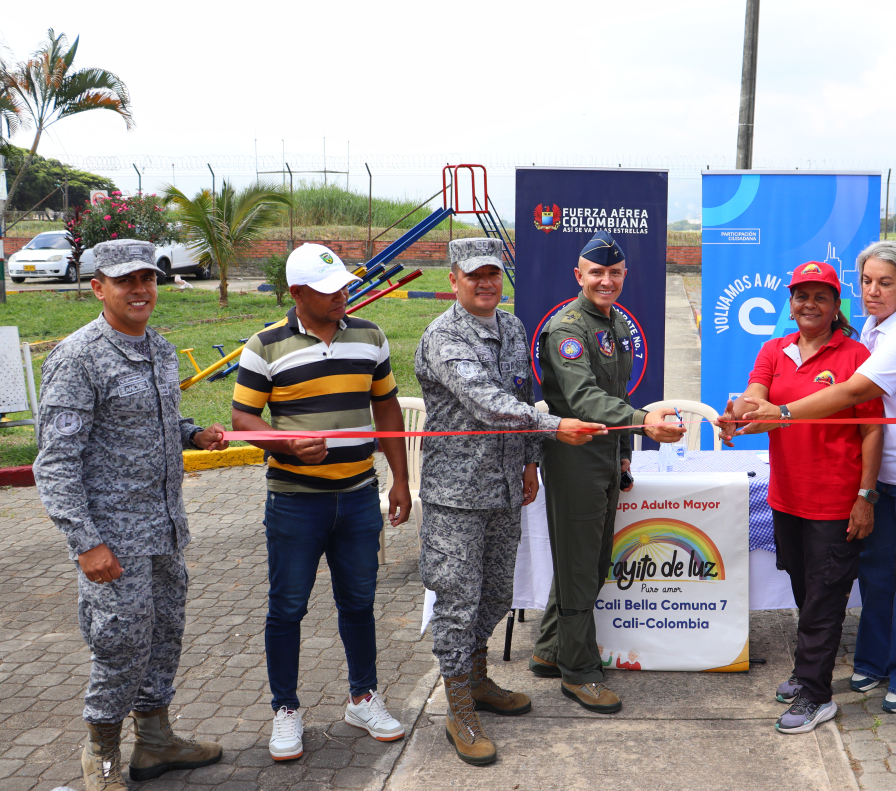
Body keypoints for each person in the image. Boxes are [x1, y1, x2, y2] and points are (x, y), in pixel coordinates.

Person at [727, 241, 896, 714]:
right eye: (867, 282)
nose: (874, 291)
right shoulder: (872, 329)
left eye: (885, 282)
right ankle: (876, 661)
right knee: (878, 574)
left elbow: (854, 392)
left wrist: (779, 412)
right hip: (884, 476)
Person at [33, 239, 228, 791]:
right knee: (120, 645)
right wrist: (84, 542)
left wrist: (192, 432)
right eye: (126, 281)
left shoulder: (159, 348)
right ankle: (101, 754)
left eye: (148, 279)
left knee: (165, 635)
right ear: (99, 288)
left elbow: (158, 414)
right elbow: (56, 463)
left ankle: (156, 740)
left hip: (165, 529)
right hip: (113, 539)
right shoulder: (77, 358)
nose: (141, 290)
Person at [414, 238, 607, 765]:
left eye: (493, 274)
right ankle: (458, 707)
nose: (485, 284)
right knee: (457, 602)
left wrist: (528, 461)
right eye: (474, 275)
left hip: (503, 488)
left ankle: (477, 680)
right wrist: (553, 426)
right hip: (457, 496)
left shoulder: (514, 328)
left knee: (498, 594)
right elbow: (487, 402)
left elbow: (521, 395)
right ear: (453, 279)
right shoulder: (444, 336)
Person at [231, 243, 414, 761]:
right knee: (287, 608)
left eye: (345, 287)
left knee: (358, 604)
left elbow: (387, 408)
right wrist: (284, 443)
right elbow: (244, 418)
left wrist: (397, 480)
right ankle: (285, 709)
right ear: (296, 294)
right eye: (329, 290)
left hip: (358, 498)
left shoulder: (369, 336)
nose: (342, 296)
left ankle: (363, 697)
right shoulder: (264, 346)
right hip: (294, 503)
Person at [718, 260, 884, 735]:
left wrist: (865, 495)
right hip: (787, 497)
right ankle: (807, 670)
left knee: (825, 601)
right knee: (804, 588)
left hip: (836, 501)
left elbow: (873, 429)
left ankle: (816, 694)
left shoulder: (855, 357)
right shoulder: (774, 349)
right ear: (790, 304)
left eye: (820, 296)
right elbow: (755, 398)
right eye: (801, 296)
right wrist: (736, 415)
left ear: (836, 306)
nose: (809, 304)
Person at [530, 231, 685, 714]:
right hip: (574, 459)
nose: (607, 280)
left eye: (615, 273)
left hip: (603, 457)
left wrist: (623, 453)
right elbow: (584, 401)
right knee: (581, 569)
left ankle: (550, 649)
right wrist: (644, 422)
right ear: (579, 276)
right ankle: (579, 672)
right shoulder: (567, 329)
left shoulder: (614, 322)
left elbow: (614, 391)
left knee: (591, 562)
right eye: (597, 273)